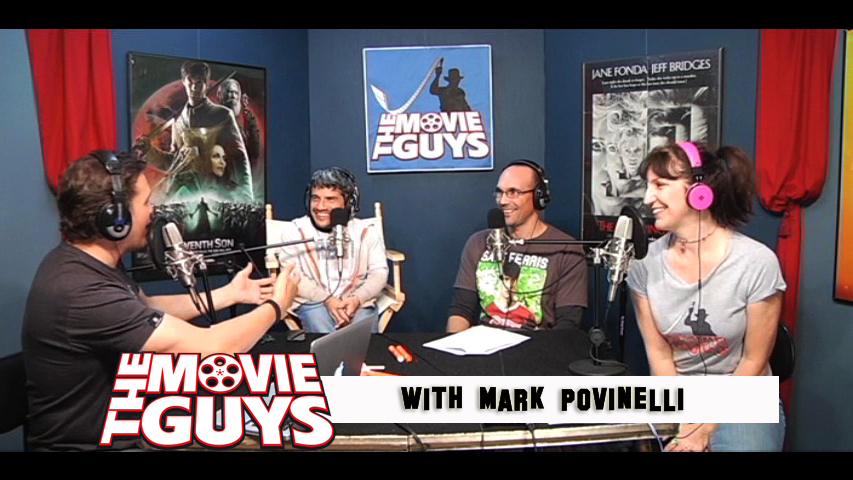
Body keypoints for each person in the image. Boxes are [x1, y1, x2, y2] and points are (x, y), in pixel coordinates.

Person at [21, 151, 299, 451]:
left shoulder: (84, 264)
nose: (153, 210)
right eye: (146, 202)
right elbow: (213, 348)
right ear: (116, 218)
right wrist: (276, 307)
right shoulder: (81, 291)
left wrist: (228, 294)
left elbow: (146, 307)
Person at [626, 142, 786, 452]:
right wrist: (683, 419)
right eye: (648, 185)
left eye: (660, 185)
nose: (647, 198)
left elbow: (754, 361)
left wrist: (706, 426)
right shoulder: (644, 264)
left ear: (699, 190)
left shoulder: (756, 262)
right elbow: (659, 354)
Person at [447, 160, 588, 332]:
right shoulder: (478, 242)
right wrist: (454, 346)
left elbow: (568, 324)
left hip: (538, 345)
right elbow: (461, 309)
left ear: (538, 197)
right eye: (500, 192)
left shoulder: (566, 250)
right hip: (484, 344)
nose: (503, 201)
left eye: (513, 192)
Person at [272, 167, 388, 333]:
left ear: (348, 203)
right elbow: (294, 276)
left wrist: (357, 298)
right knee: (321, 328)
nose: (321, 206)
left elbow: (379, 273)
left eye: (330, 199)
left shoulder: (366, 232)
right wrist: (327, 299)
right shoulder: (294, 231)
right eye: (315, 198)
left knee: (362, 333)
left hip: (357, 300)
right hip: (313, 302)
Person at [136, 61, 253, 203]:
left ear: (206, 84)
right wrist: (149, 151)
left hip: (216, 194)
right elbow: (175, 162)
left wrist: (246, 195)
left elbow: (239, 157)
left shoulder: (221, 115)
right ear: (184, 82)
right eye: (190, 82)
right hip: (186, 196)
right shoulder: (179, 122)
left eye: (198, 83)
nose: (194, 88)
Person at [217, 78, 261, 163]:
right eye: (230, 92)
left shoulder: (238, 125)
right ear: (222, 94)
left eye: (236, 93)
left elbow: (253, 153)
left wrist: (249, 118)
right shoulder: (216, 119)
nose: (233, 96)